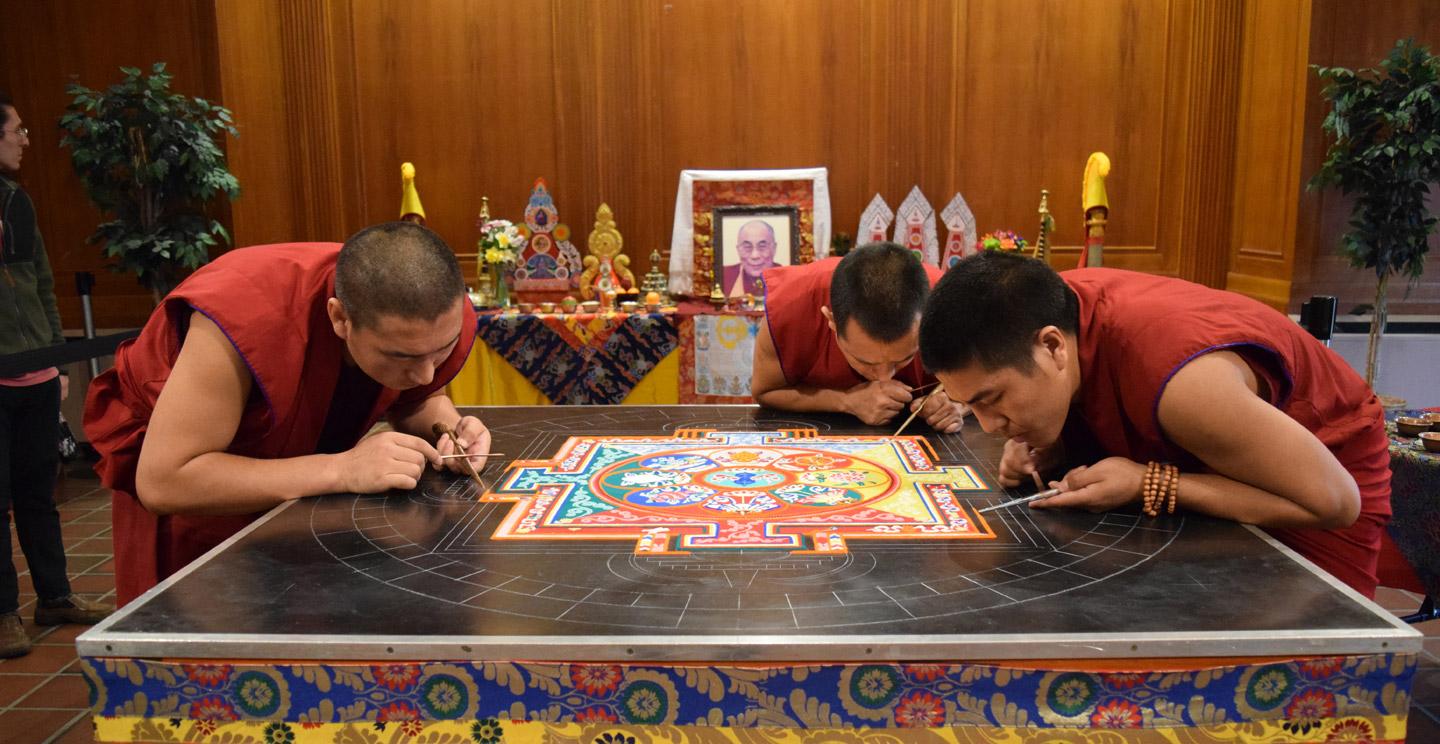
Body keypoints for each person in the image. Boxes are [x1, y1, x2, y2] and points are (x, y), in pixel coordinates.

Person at [918, 251, 1391, 597]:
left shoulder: (1185, 387)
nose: (990, 425)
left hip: (1311, 491)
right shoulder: (1053, 309)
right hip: (1220, 457)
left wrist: (1153, 482)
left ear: (1053, 348)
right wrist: (1055, 439)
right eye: (970, 406)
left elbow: (1335, 501)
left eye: (993, 399)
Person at [84, 222, 489, 605]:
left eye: (441, 350)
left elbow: (415, 397)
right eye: (402, 356)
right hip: (205, 525)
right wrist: (342, 470)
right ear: (340, 318)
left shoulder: (429, 313)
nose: (426, 373)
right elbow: (165, 481)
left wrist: (452, 431)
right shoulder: (245, 315)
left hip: (301, 510)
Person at [0, 92, 110, 658]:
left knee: (38, 493)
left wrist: (51, 360)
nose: (23, 139)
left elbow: (40, 281)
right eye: (14, 129)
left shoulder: (18, 200)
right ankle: (2, 614)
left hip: (32, 376)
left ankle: (55, 595)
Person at [752, 241, 967, 432]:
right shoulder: (792, 306)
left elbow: (990, 382)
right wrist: (847, 401)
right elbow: (766, 391)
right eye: (865, 361)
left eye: (903, 359)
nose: (884, 378)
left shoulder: (947, 305)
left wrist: (955, 405)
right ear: (832, 321)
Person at [722, 220, 782, 297]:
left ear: (774, 248)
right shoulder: (723, 275)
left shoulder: (788, 278)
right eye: (747, 247)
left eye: (762, 246)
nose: (755, 256)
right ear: (738, 250)